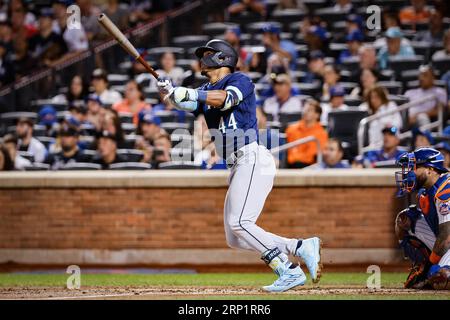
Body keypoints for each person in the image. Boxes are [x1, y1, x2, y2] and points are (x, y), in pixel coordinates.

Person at [157, 39, 322, 292]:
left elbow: (224, 100)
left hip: (252, 157)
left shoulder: (240, 81)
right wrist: (169, 93)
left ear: (223, 58)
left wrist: (188, 93)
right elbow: (189, 102)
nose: (203, 59)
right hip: (236, 164)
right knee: (235, 237)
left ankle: (287, 270)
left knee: (240, 222)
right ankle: (299, 247)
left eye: (209, 54)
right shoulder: (207, 88)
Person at [394, 148, 450, 289]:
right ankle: (422, 265)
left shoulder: (445, 189)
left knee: (441, 276)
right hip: (446, 242)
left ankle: (432, 270)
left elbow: (446, 236)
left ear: (430, 169)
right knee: (405, 219)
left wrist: (430, 265)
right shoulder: (425, 192)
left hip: (447, 238)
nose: (409, 172)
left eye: (414, 167)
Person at [286, 99, 328, 168]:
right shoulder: (291, 129)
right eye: (304, 109)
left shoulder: (322, 133)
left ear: (317, 115)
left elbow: (311, 157)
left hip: (310, 168)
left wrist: (296, 156)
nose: (305, 112)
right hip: (291, 166)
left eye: (310, 110)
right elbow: (290, 151)